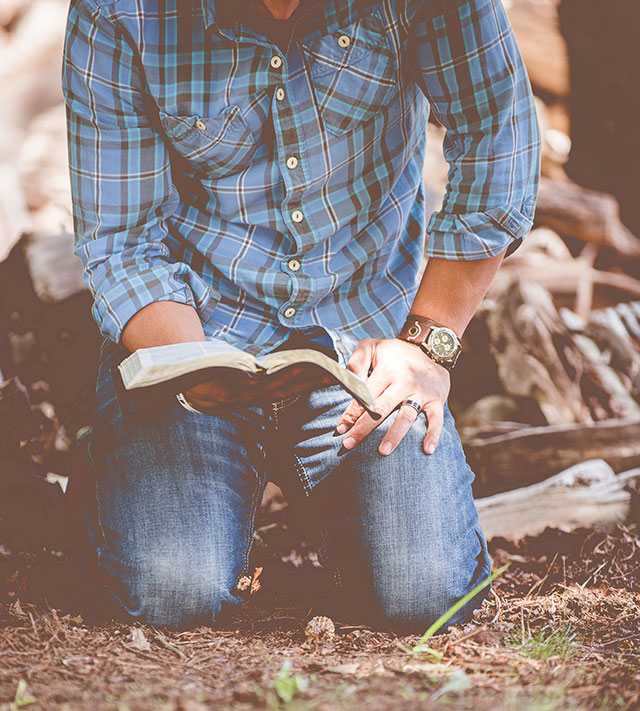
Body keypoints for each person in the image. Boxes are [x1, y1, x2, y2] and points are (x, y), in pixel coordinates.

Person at [62, 0, 540, 631]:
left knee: (427, 597)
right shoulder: (117, 10)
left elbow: (498, 142)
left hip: (368, 343)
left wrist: (426, 345)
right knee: (172, 594)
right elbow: (123, 239)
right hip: (196, 330)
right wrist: (189, 363)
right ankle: (111, 475)